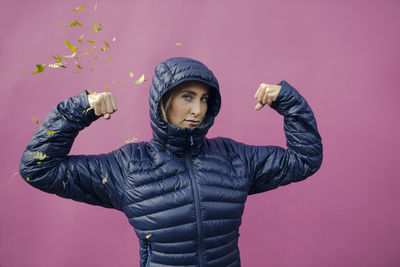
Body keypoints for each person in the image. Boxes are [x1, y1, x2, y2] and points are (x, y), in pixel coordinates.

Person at [19, 57, 323, 267]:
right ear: (163, 102)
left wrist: (289, 102)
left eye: (204, 99)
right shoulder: (129, 166)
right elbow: (37, 168)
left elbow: (304, 159)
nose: (198, 109)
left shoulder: (234, 158)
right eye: (187, 97)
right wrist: (77, 111)